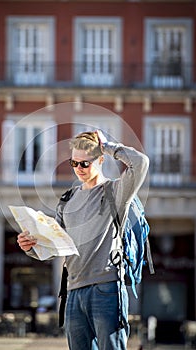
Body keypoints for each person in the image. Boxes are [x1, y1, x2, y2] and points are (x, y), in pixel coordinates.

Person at [17, 129, 149, 350]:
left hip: (106, 288)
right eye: (74, 163)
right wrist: (31, 245)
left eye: (85, 164)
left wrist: (107, 146)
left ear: (100, 160)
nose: (79, 169)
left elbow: (140, 162)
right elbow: (54, 246)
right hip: (73, 290)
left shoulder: (116, 191)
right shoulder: (67, 199)